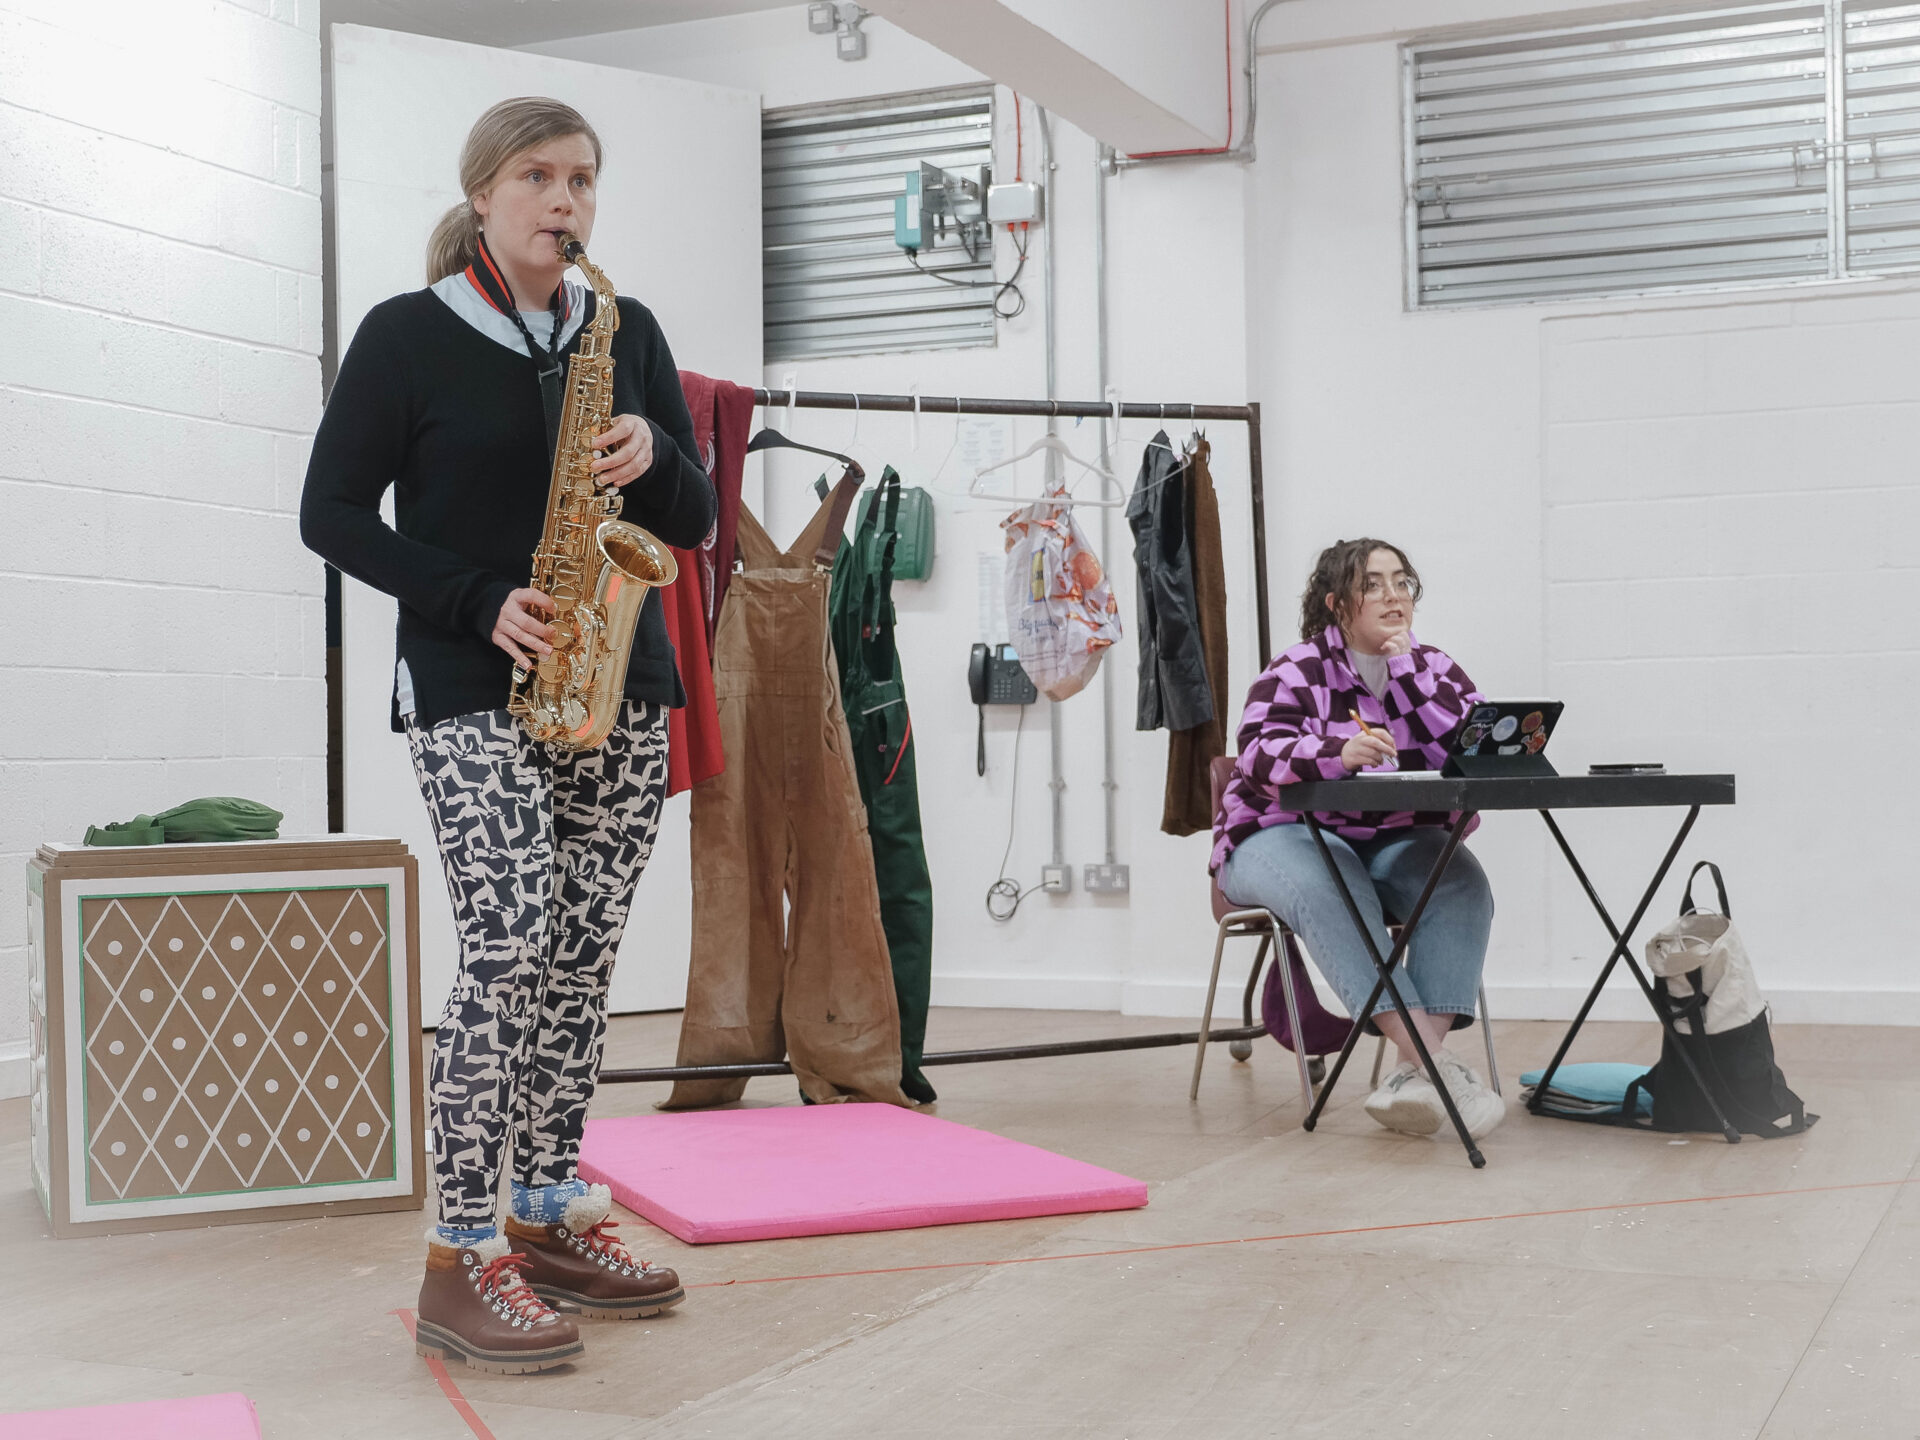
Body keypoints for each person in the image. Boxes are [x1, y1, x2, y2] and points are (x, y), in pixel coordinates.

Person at [301, 97, 717, 1374]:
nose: (564, 201)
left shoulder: (625, 331)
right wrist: (478, 601)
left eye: (582, 180)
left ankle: (543, 1211)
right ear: (482, 194)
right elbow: (330, 513)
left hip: (618, 679)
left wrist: (654, 447)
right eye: (538, 177)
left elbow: (694, 518)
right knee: (512, 938)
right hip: (474, 677)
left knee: (583, 957)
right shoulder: (405, 336)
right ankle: (460, 1249)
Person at [1211, 538, 1504, 1140]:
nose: (1393, 596)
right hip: (1274, 834)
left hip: (1389, 837)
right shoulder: (1295, 669)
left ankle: (1411, 1072)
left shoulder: (1435, 667)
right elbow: (1260, 753)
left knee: (1459, 881)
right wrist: (1335, 752)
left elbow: (1466, 750)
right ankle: (1439, 1069)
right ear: (1336, 602)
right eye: (1373, 584)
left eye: (1402, 582)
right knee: (1332, 880)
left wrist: (1408, 671)